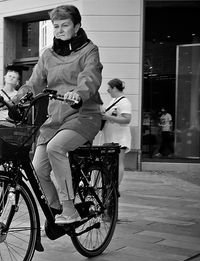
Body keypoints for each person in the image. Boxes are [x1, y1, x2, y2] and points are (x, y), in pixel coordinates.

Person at [14, 5, 103, 225]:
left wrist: (79, 94)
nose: (60, 30)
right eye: (56, 26)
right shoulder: (48, 55)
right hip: (55, 119)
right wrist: (17, 97)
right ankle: (55, 210)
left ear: (77, 26)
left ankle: (70, 209)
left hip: (83, 115)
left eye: (65, 25)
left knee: (56, 148)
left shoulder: (89, 50)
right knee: (37, 168)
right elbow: (34, 83)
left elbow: (90, 77)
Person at [101, 78, 132, 185]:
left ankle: (115, 186)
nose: (107, 90)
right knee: (112, 163)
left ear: (114, 88)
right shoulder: (114, 101)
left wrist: (108, 118)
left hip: (120, 138)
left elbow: (127, 119)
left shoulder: (124, 102)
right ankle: (112, 185)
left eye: (109, 88)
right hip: (112, 138)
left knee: (118, 162)